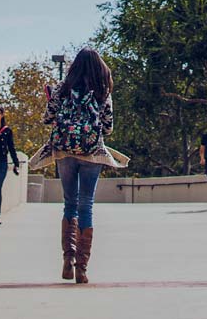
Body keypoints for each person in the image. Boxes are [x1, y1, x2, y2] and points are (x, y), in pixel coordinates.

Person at [25, 48, 129, 284]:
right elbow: (108, 127)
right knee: (86, 206)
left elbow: (47, 118)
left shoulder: (62, 88)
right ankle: (82, 268)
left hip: (64, 151)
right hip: (92, 153)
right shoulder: (103, 91)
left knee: (69, 204)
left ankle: (68, 260)